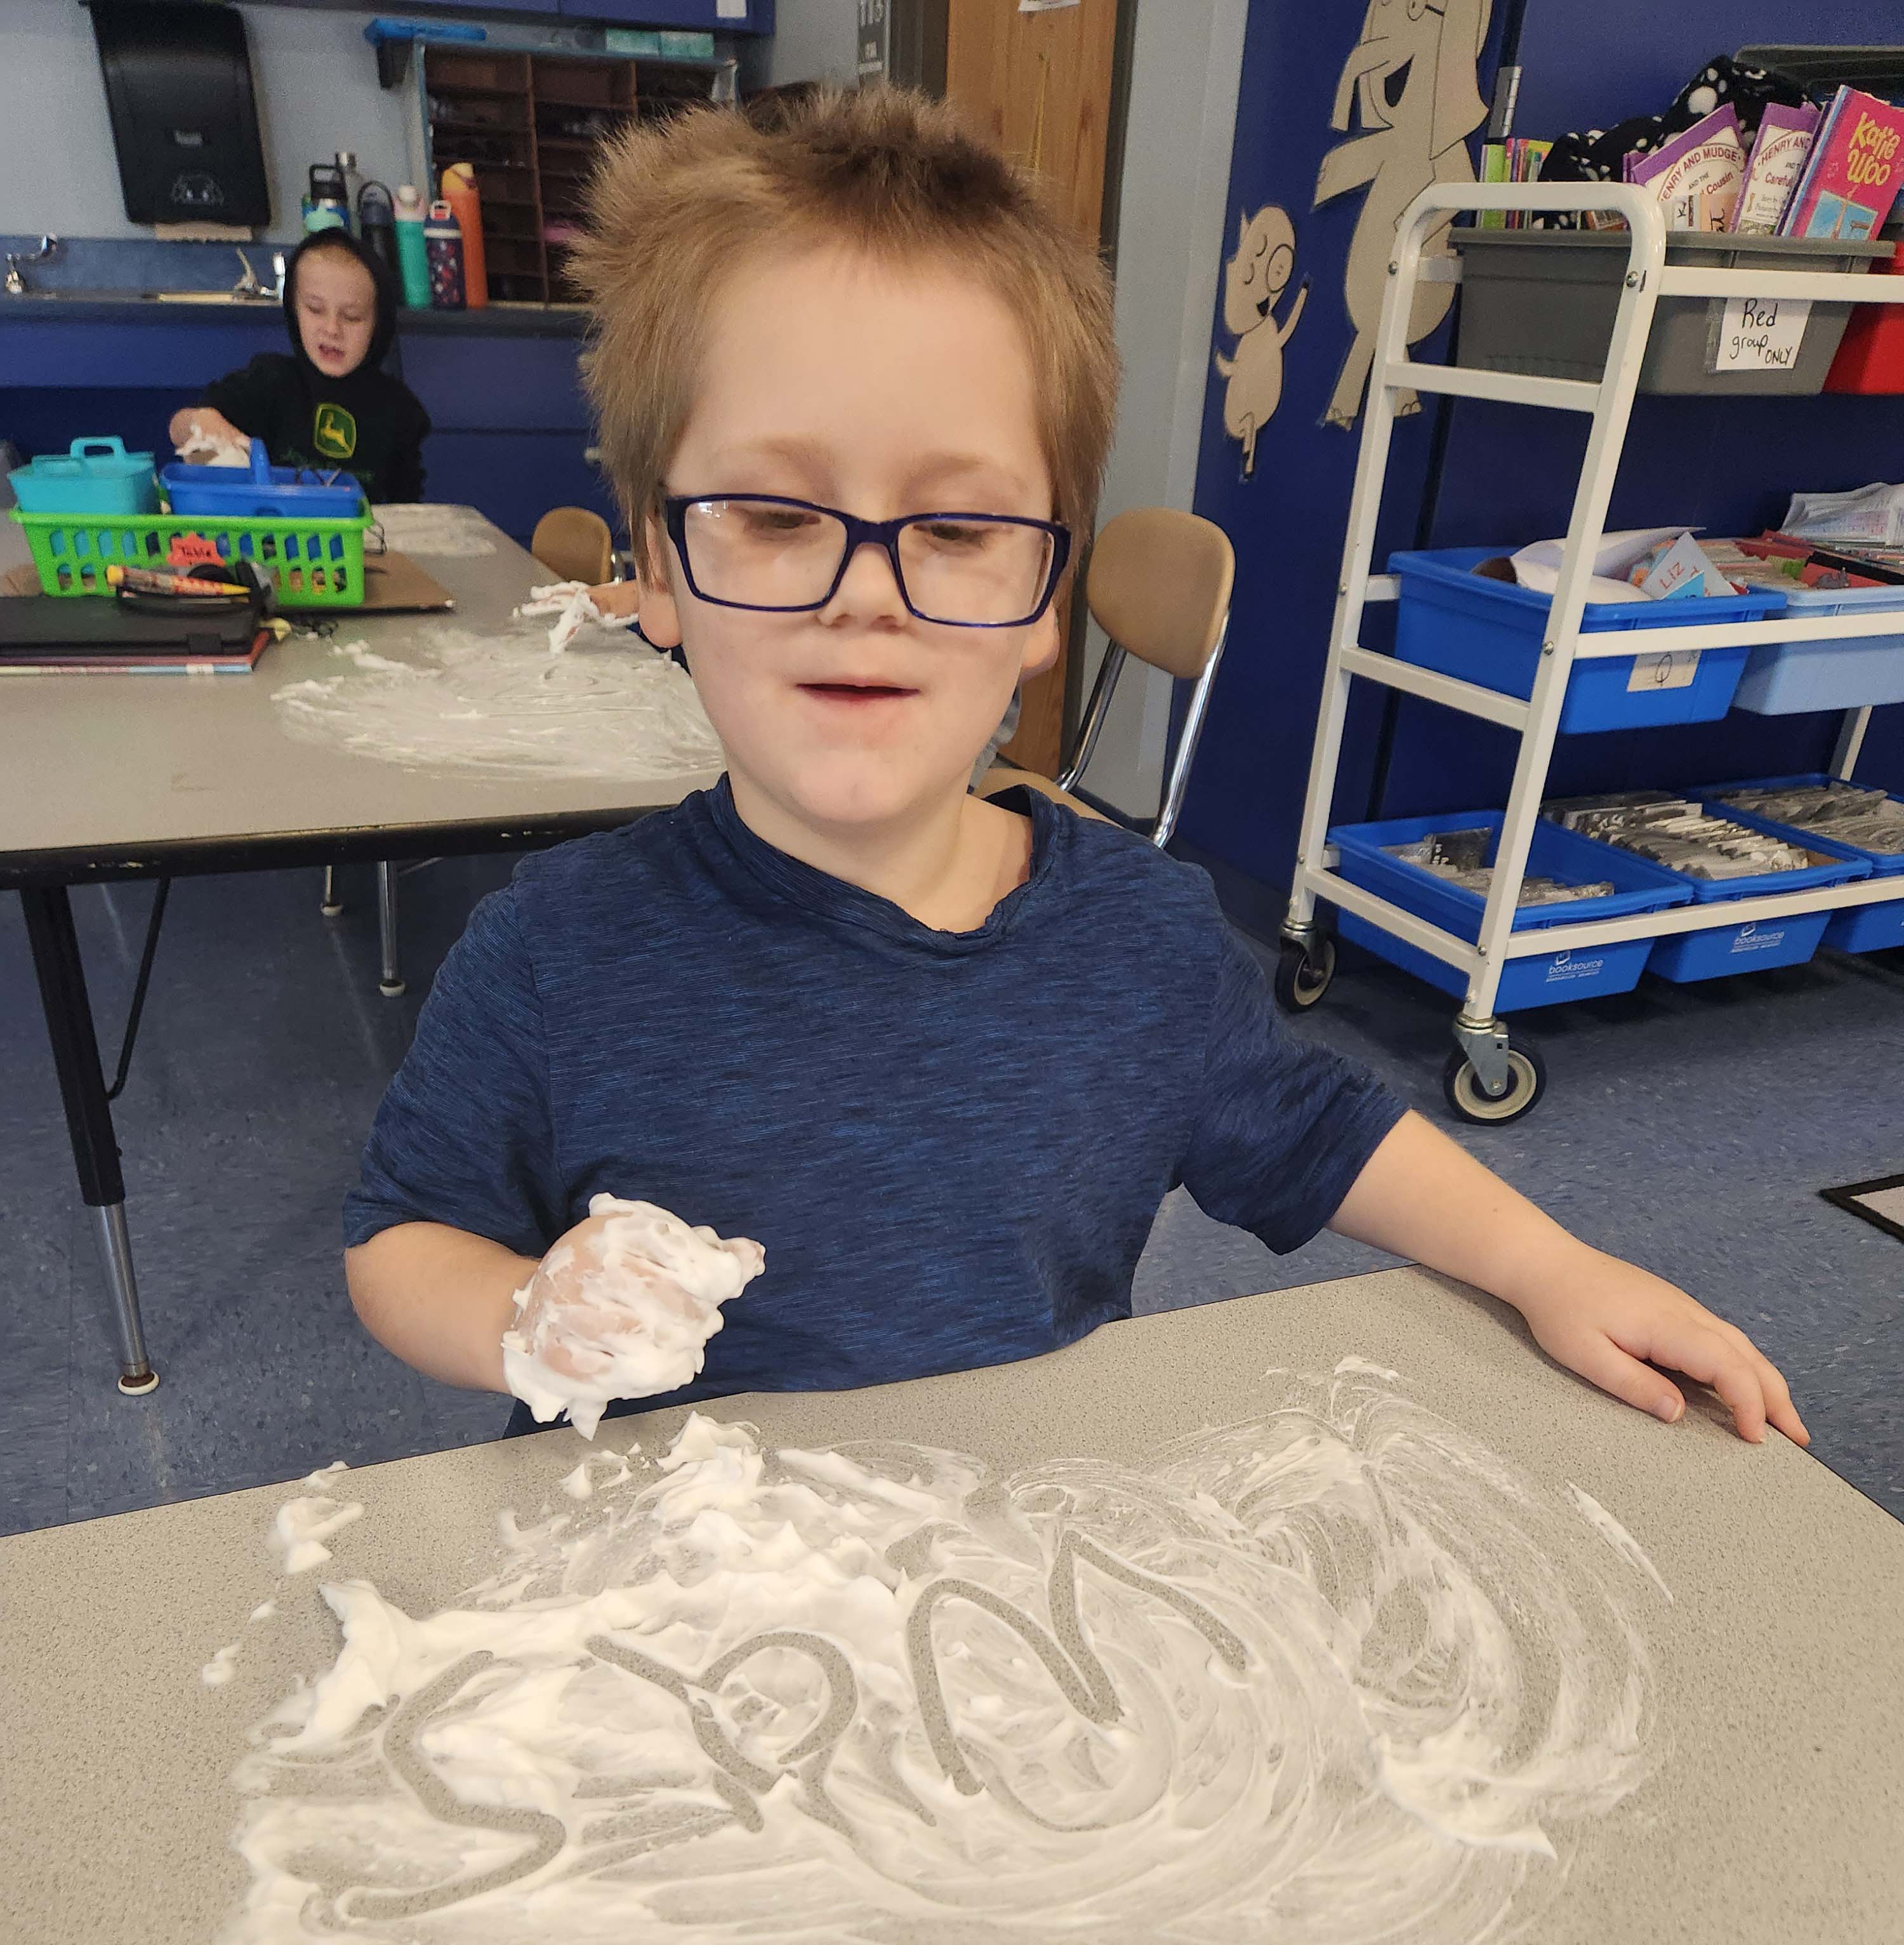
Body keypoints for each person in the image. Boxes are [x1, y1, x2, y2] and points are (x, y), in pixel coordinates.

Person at [343, 88, 1806, 1452]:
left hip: (1007, 1574)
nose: (871, 590)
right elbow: (403, 1242)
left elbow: (1314, 1129)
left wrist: (1549, 1264)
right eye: (776, 514)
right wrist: (522, 1319)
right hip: (662, 1600)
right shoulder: (550, 953)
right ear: (657, 567)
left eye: (961, 527)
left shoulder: (1143, 940)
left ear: (1044, 598)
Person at [168, 231, 430, 503]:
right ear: (294, 311)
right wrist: (203, 422)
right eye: (315, 310)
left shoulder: (399, 408)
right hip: (272, 540)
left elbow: (408, 509)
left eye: (352, 317)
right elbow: (179, 427)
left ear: (378, 326)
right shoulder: (269, 381)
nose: (332, 329)